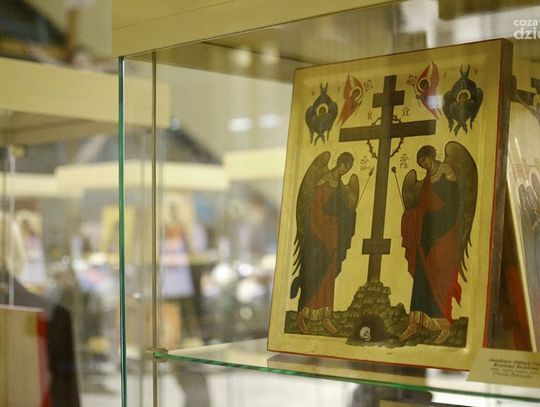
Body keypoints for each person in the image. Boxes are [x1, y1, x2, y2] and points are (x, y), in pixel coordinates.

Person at [400, 145, 463, 344]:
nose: (423, 164)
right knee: (421, 278)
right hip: (426, 236)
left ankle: (443, 325)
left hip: (443, 235)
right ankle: (415, 323)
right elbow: (422, 207)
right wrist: (412, 216)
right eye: (420, 163)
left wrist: (431, 220)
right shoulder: (427, 179)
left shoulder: (447, 172)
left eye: (424, 160)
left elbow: (453, 206)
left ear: (431, 156)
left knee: (439, 278)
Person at [291, 152, 358, 335]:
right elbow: (314, 209)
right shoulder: (322, 179)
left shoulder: (341, 187)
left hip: (332, 238)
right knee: (312, 275)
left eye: (348, 168)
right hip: (317, 237)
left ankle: (325, 317)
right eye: (345, 165)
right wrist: (328, 224)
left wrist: (349, 214)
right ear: (339, 163)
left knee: (328, 276)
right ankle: (302, 316)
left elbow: (342, 210)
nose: (345, 170)